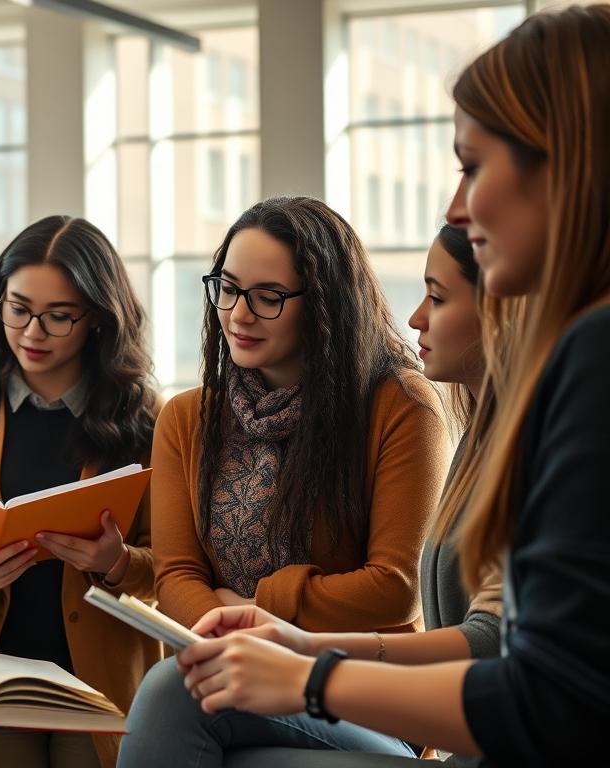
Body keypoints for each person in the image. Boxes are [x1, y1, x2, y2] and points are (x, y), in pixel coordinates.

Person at [160, 6, 610, 765]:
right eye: (228, 289)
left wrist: (309, 674)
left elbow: (544, 694)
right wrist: (297, 648)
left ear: (562, 163)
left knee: (181, 699)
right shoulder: (189, 415)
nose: (457, 208)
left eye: (473, 165)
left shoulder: (578, 358)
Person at [118, 224, 506, 767]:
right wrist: (237, 638)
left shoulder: (397, 404)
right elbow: (177, 576)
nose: (238, 313)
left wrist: (261, 613)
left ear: (323, 304)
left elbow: (394, 588)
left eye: (268, 297)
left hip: (375, 702)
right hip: (265, 683)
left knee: (179, 688)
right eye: (226, 289)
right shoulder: (187, 417)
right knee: (198, 704)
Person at [0, 215, 159, 768]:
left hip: (100, 682)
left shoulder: (149, 422)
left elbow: (176, 568)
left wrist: (118, 563)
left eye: (59, 317)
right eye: (18, 309)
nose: (33, 333)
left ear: (98, 320)